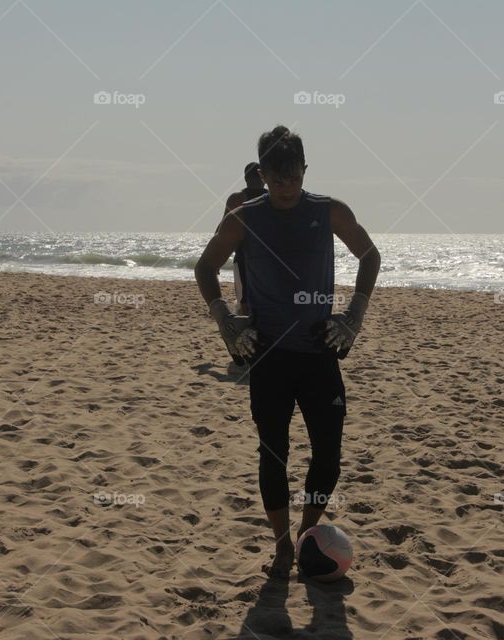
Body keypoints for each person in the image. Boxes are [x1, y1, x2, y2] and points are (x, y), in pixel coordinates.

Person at [194, 125, 381, 580]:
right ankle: (281, 548)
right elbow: (205, 266)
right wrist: (225, 320)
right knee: (273, 454)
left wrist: (353, 315)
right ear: (263, 173)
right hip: (270, 357)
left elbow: (370, 255)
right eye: (277, 180)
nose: (286, 188)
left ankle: (306, 534)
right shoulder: (244, 216)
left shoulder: (329, 211)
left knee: (328, 456)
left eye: (294, 177)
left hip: (318, 352)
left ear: (305, 170)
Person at [222, 162, 266, 316]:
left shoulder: (237, 198)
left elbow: (223, 231)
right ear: (264, 177)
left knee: (245, 302)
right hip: (266, 257)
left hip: (246, 256)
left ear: (246, 178)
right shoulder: (275, 197)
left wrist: (216, 261)